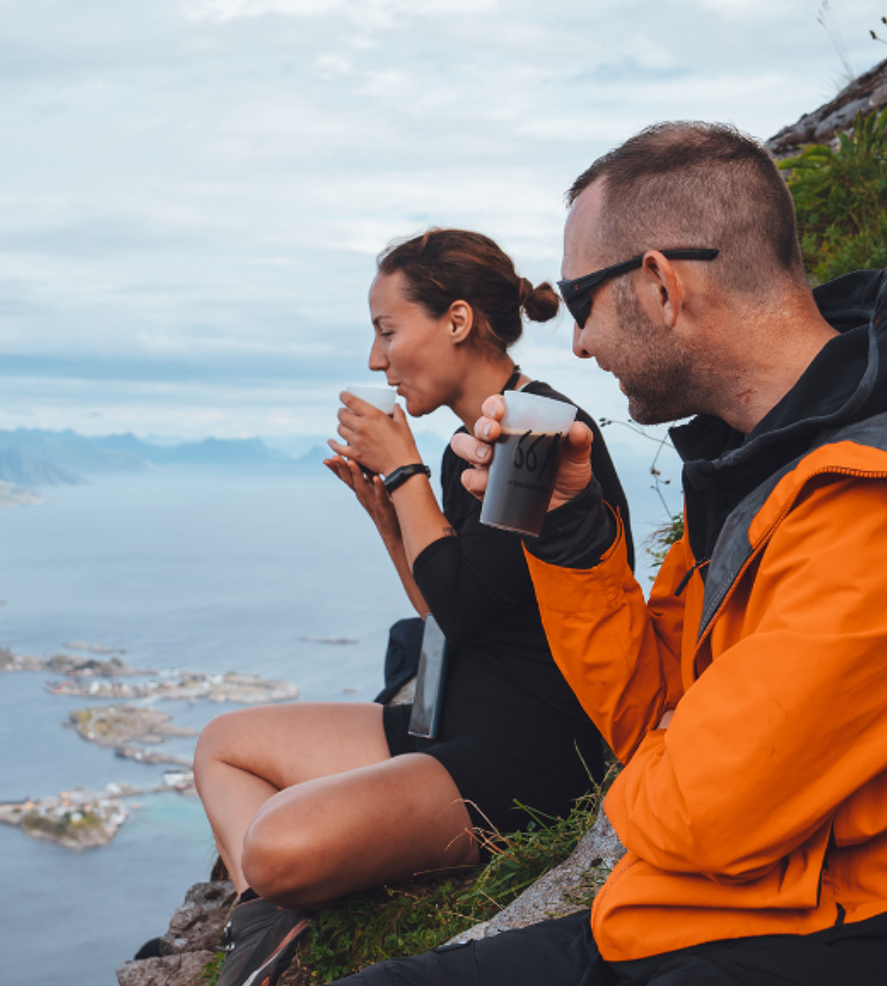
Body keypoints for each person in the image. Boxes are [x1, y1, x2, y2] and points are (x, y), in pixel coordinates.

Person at [334, 123, 887, 986]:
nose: (579, 342)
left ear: (660, 284)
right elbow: (646, 715)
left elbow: (696, 814)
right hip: (720, 917)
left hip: (881, 931)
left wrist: (667, 753)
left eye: (584, 299)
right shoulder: (759, 468)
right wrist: (573, 537)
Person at [193, 228, 633, 986]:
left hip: (520, 756)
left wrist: (404, 473)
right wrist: (389, 517)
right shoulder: (475, 435)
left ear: (456, 321)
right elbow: (450, 608)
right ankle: (262, 923)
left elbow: (460, 610)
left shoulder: (533, 431)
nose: (376, 359)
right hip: (453, 720)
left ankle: (271, 896)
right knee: (223, 745)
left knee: (274, 847)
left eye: (387, 331)